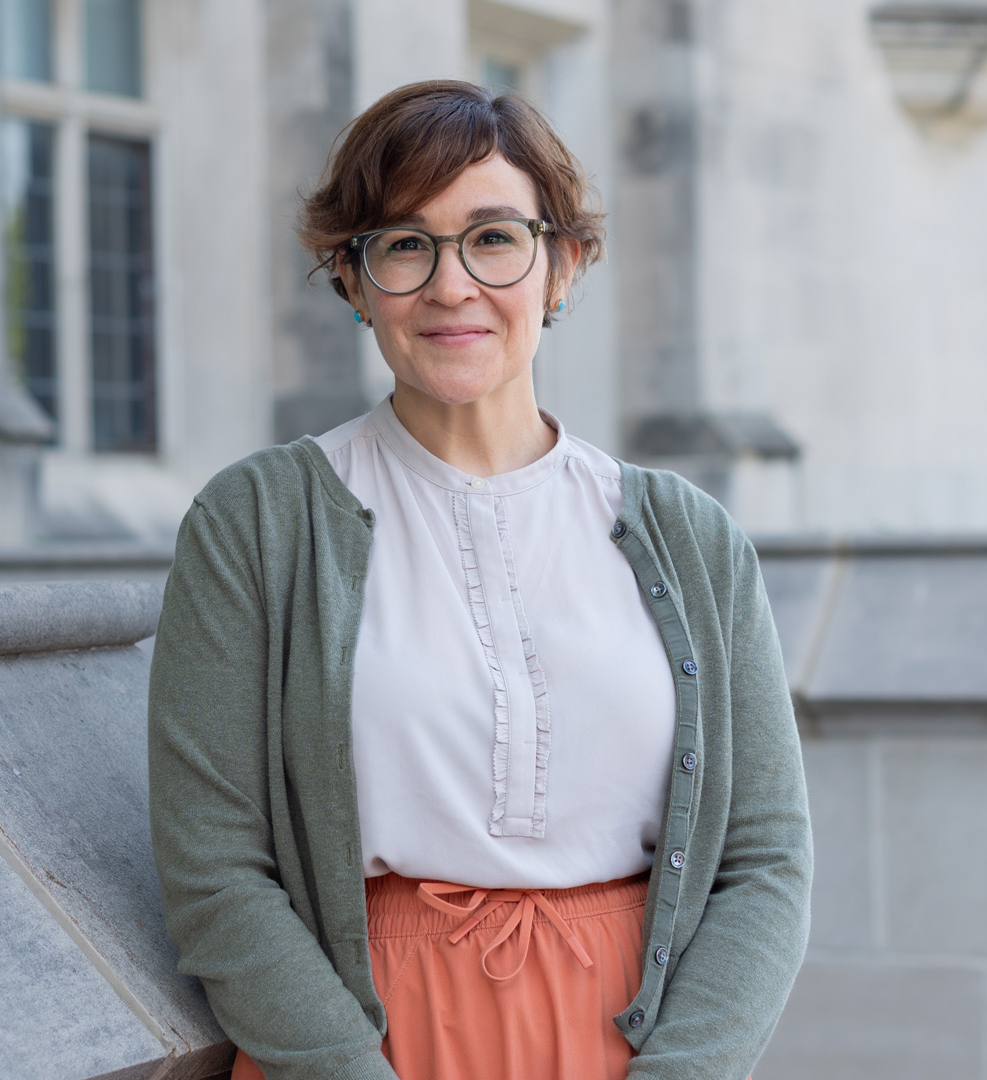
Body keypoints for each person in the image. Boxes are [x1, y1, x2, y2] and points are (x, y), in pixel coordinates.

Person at [148, 80, 811, 1080]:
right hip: (355, 1048)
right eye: (404, 244)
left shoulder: (694, 541)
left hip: (632, 1048)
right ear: (354, 281)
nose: (450, 286)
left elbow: (763, 864)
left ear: (562, 265)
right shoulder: (255, 524)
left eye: (493, 237)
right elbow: (213, 870)